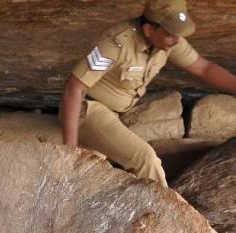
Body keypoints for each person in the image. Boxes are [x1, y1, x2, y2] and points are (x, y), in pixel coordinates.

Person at [60, 0, 236, 187]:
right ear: (149, 29)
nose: (177, 40)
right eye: (171, 34)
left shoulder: (168, 41)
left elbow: (204, 68)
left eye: (178, 34)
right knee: (146, 159)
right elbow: (74, 88)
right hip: (89, 109)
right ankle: (164, 205)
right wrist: (70, 152)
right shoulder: (116, 44)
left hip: (116, 113)